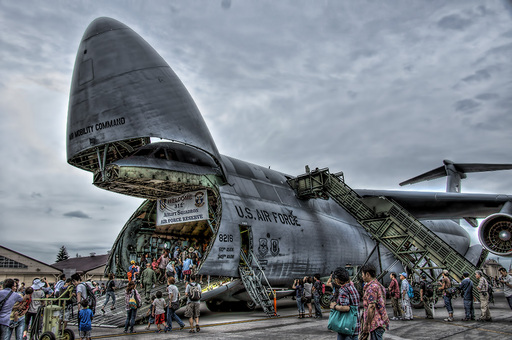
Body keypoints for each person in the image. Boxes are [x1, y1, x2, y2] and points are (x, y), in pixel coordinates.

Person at [359, 264, 389, 340]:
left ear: (367, 274)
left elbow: (371, 307)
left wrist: (367, 324)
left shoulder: (372, 287)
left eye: (363, 274)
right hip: (380, 321)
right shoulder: (379, 285)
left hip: (375, 323)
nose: (362, 276)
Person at [329, 267, 360, 340]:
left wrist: (334, 306)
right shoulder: (352, 287)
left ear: (337, 279)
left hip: (346, 327)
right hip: (355, 326)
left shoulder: (343, 290)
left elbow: (346, 308)